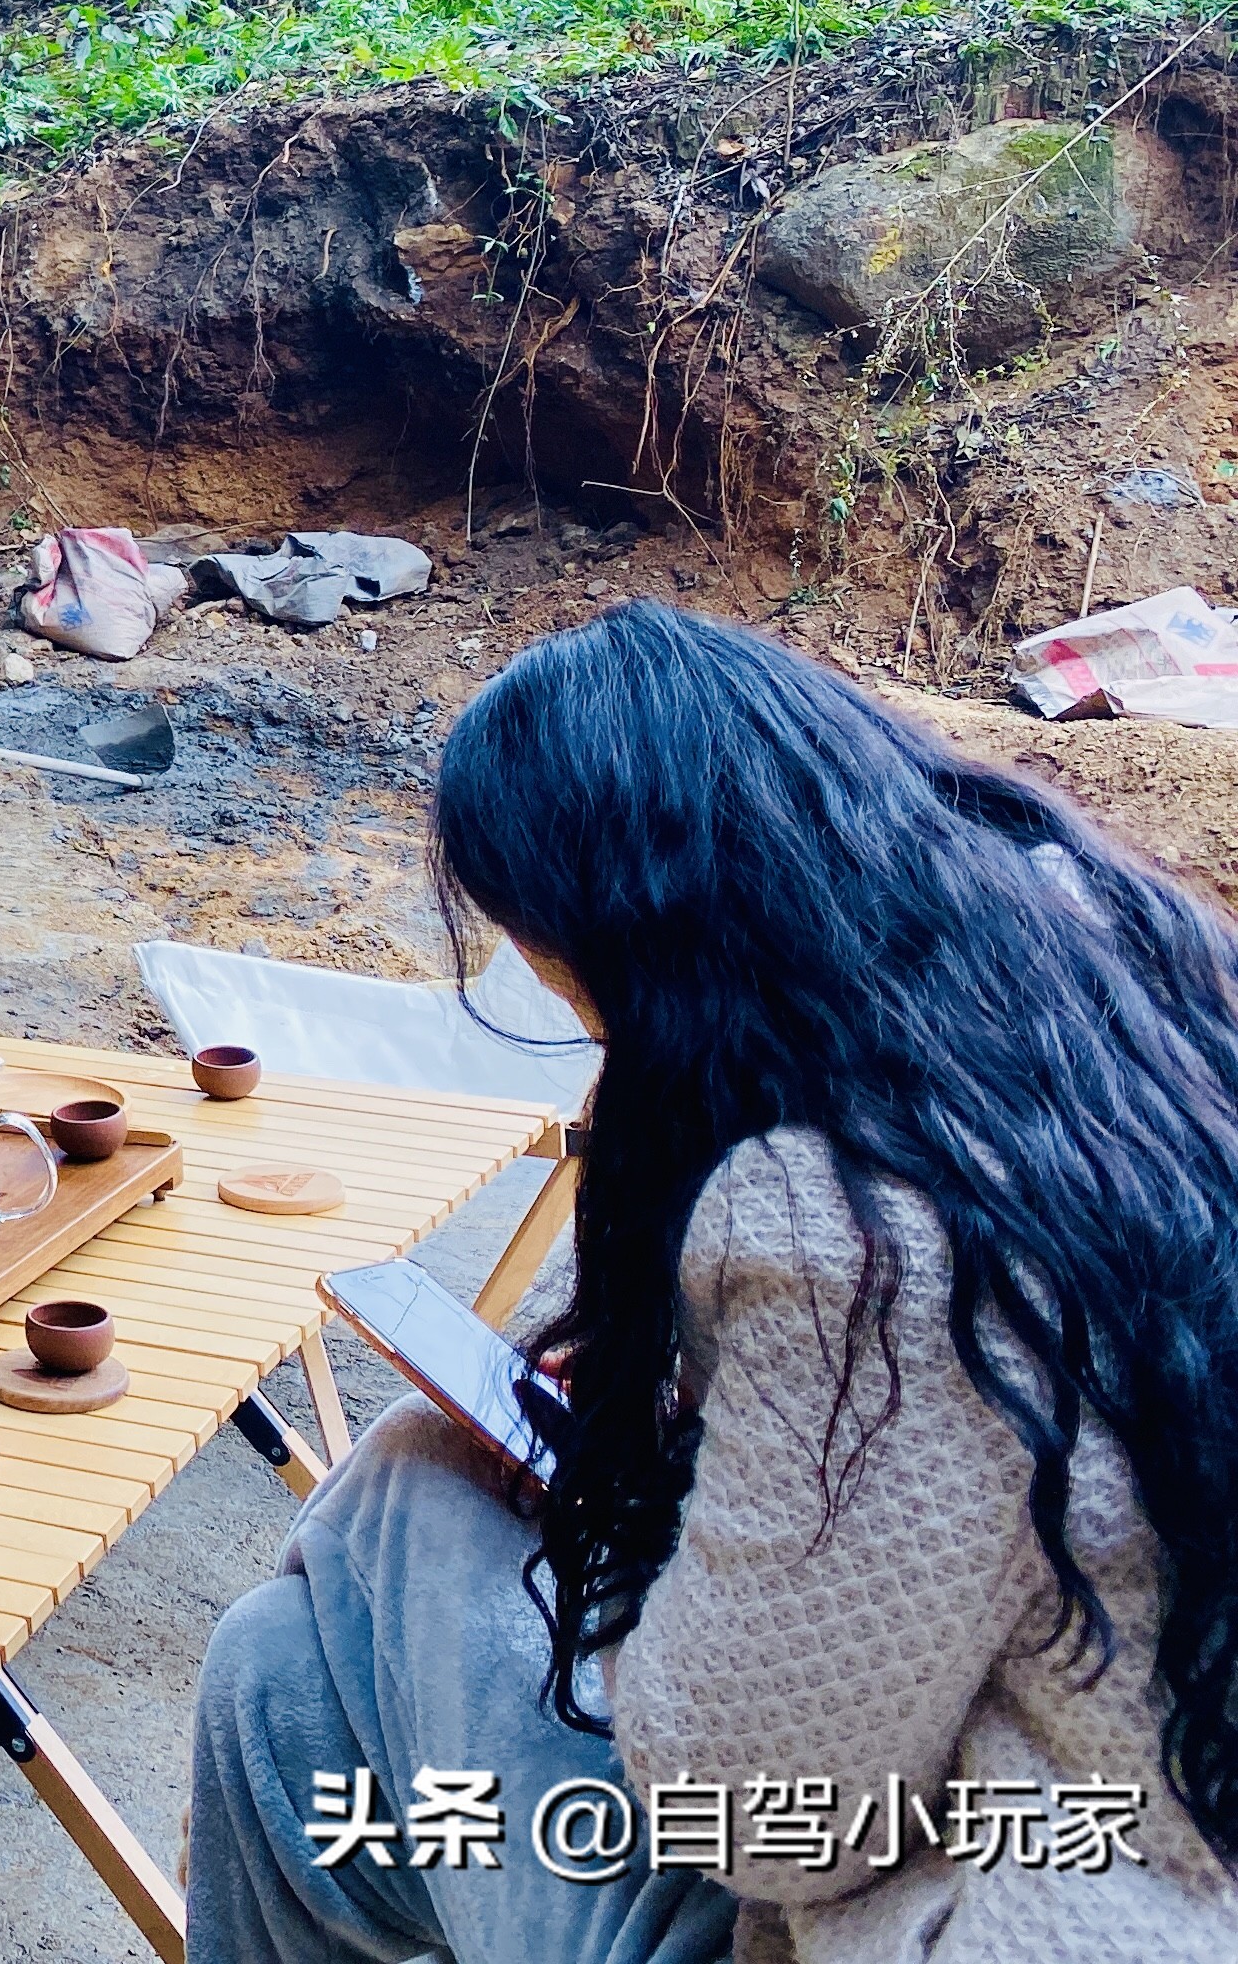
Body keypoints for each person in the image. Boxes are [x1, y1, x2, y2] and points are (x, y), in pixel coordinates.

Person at [186, 599, 1238, 1961]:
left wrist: (630, 1509)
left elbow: (751, 1809)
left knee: (374, 1526)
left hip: (1047, 1905)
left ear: (644, 947)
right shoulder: (1130, 984)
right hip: (1147, 1803)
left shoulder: (859, 1223)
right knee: (287, 1686)